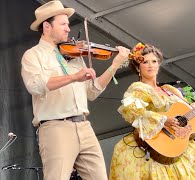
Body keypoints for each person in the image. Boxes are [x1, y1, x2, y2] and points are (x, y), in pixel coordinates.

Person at [21, 1, 130, 180]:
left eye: (68, 24)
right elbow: (35, 86)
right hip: (55, 127)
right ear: (47, 26)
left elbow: (92, 92)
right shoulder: (33, 55)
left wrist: (114, 66)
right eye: (63, 24)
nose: (68, 29)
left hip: (84, 125)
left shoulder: (74, 55)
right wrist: (73, 77)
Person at [109, 43, 195, 180]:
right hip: (152, 145)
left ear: (159, 65)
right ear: (138, 67)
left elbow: (191, 116)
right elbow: (132, 111)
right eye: (145, 62)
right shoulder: (138, 88)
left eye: (154, 61)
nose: (151, 65)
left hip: (179, 145)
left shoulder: (169, 90)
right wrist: (164, 120)